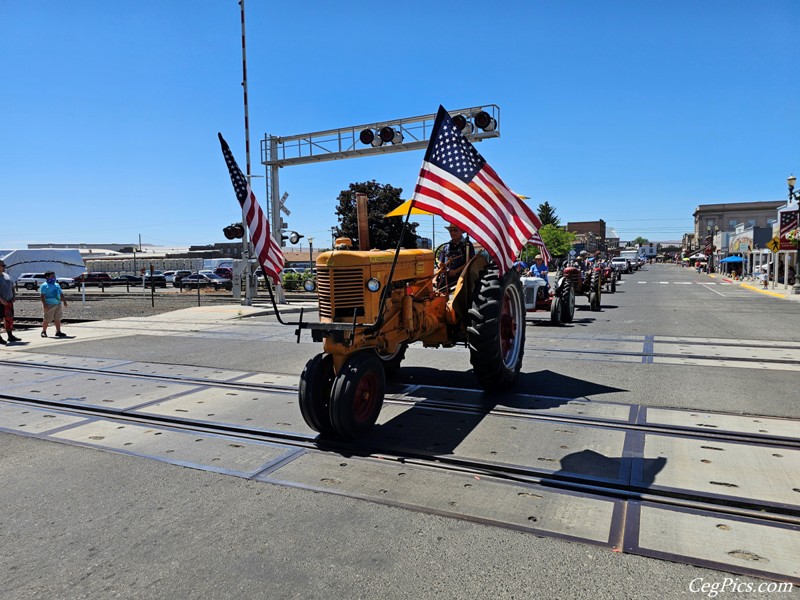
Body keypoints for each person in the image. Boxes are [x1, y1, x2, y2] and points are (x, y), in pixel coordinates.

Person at [437, 224, 474, 290]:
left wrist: (456, 271)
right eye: (451, 231)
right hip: (446, 278)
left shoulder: (467, 245)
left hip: (462, 279)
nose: (453, 232)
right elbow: (440, 262)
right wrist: (441, 266)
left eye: (455, 230)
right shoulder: (446, 246)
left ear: (461, 231)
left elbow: (470, 262)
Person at [39, 271, 68, 338]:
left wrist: (64, 301)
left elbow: (61, 293)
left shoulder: (56, 285)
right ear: (47, 277)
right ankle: (44, 331)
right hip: (49, 304)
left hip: (57, 303)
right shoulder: (44, 285)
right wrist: (44, 304)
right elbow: (42, 295)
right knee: (47, 319)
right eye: (52, 276)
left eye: (54, 276)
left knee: (58, 318)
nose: (54, 277)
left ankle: (58, 331)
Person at [0, 259, 20, 344]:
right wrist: (0, 299)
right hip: (0, 302)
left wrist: (14, 296)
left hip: (8, 302)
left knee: (9, 319)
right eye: (2, 265)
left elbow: (12, 286)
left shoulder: (6, 275)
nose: (4, 267)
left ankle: (10, 335)